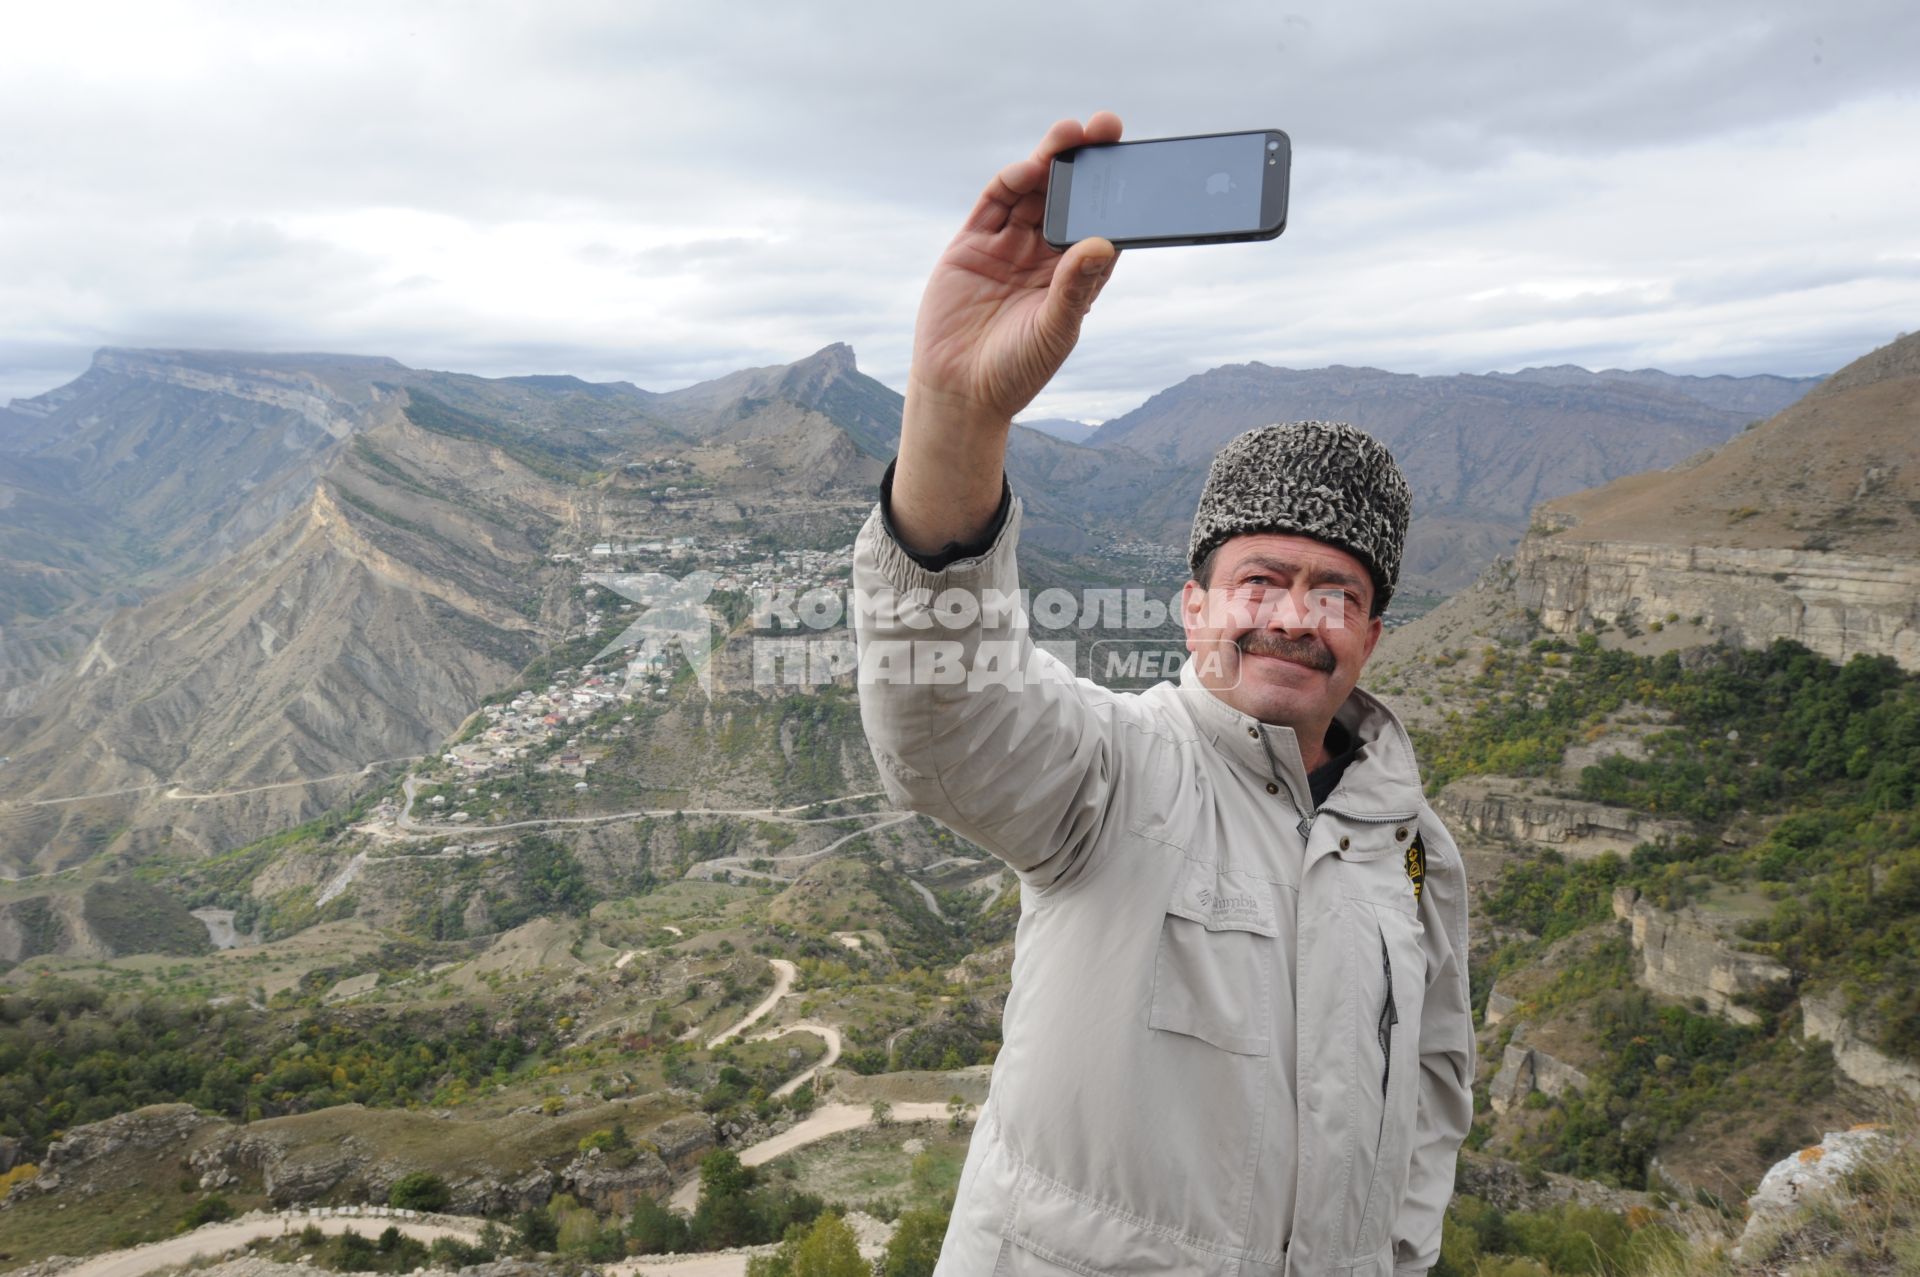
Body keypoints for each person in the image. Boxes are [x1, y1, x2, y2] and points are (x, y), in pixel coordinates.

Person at [850, 112, 1473, 1277]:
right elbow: (945, 718)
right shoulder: (1118, 771)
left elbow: (1433, 1082)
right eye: (1261, 579)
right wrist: (956, 410)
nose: (1295, 613)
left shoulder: (1416, 845)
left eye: (1335, 590)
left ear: (1374, 635)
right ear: (1195, 610)